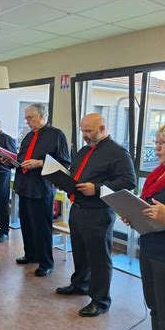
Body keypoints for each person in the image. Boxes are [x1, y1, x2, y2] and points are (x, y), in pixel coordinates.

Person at [56, 113, 136, 317]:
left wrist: (98, 188)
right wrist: (62, 179)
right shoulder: (85, 150)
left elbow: (128, 181)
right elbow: (74, 173)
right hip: (78, 209)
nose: (85, 135)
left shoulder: (118, 152)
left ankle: (100, 300)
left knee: (99, 258)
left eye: (89, 131)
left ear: (102, 128)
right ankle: (80, 284)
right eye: (83, 131)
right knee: (80, 252)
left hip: (98, 213)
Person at [124, 121, 165, 330]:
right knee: (155, 307)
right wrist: (134, 214)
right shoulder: (159, 173)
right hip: (150, 250)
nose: (157, 147)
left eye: (163, 143)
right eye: (156, 142)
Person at [12, 104, 70, 277]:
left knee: (42, 227)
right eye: (26, 118)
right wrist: (12, 160)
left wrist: (39, 163)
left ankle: (46, 262)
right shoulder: (29, 136)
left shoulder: (57, 135)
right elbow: (22, 156)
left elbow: (65, 162)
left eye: (30, 118)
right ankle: (31, 254)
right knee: (27, 223)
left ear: (43, 116)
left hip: (41, 187)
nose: (27, 121)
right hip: (24, 185)